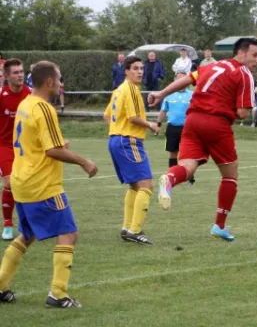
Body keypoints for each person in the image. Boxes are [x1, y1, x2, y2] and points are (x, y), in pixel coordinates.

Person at [0, 60, 98, 307]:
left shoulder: (25, 103)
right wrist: (83, 161)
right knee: (69, 233)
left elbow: (37, 142)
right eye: (60, 79)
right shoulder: (44, 108)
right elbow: (53, 150)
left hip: (22, 181)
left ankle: (1, 285)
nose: (62, 84)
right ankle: (58, 293)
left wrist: (57, 146)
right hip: (41, 185)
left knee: (27, 235)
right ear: (49, 82)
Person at [149, 37, 257, 242]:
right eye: (255, 54)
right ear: (241, 53)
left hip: (192, 121)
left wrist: (161, 93)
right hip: (216, 123)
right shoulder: (244, 74)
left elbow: (188, 79)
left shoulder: (212, 66)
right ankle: (219, 225)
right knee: (230, 175)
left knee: (187, 166)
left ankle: (169, 180)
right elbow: (243, 113)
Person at [104, 57, 160, 246]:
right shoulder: (132, 89)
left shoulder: (118, 90)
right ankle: (135, 231)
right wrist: (151, 125)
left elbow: (107, 116)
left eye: (142, 68)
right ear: (126, 71)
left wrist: (117, 130)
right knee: (146, 186)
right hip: (129, 141)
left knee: (135, 186)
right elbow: (134, 117)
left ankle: (127, 228)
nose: (140, 72)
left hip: (115, 140)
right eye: (135, 68)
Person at [0, 59, 32, 241]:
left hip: (25, 148)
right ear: (6, 76)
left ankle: (27, 223)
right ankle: (7, 225)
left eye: (21, 71)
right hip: (4, 146)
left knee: (27, 184)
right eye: (15, 73)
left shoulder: (30, 95)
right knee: (10, 183)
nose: (20, 75)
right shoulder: (1, 95)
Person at [156, 73, 195, 185]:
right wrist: (158, 124)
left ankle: (190, 178)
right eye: (178, 79)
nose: (180, 81)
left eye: (183, 79)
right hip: (172, 128)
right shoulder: (169, 95)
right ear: (174, 81)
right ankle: (171, 178)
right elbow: (163, 111)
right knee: (173, 153)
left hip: (188, 128)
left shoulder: (193, 95)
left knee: (188, 154)